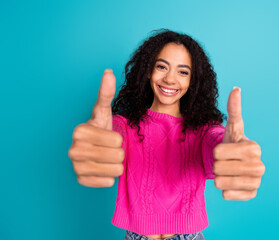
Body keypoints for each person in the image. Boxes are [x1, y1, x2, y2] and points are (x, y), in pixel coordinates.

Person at [68, 29, 265, 240]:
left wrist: (230, 149)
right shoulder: (124, 126)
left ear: (193, 81)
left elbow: (216, 144)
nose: (170, 79)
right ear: (147, 71)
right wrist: (99, 142)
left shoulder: (203, 130)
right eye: (161, 67)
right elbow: (112, 139)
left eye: (183, 72)